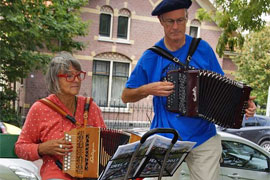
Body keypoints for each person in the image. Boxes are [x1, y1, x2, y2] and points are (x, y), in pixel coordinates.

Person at [121, 0, 257, 180]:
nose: (176, 26)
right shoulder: (151, 56)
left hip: (203, 135)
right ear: (161, 21)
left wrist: (244, 103)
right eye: (170, 21)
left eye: (180, 20)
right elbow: (126, 96)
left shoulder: (202, 49)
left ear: (187, 18)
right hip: (166, 137)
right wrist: (147, 89)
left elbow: (224, 87)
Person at [15, 52, 106, 180]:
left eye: (79, 75)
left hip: (91, 176)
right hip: (56, 174)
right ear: (55, 80)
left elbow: (105, 144)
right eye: (69, 76)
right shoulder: (40, 108)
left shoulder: (90, 107)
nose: (76, 80)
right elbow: (20, 148)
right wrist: (42, 148)